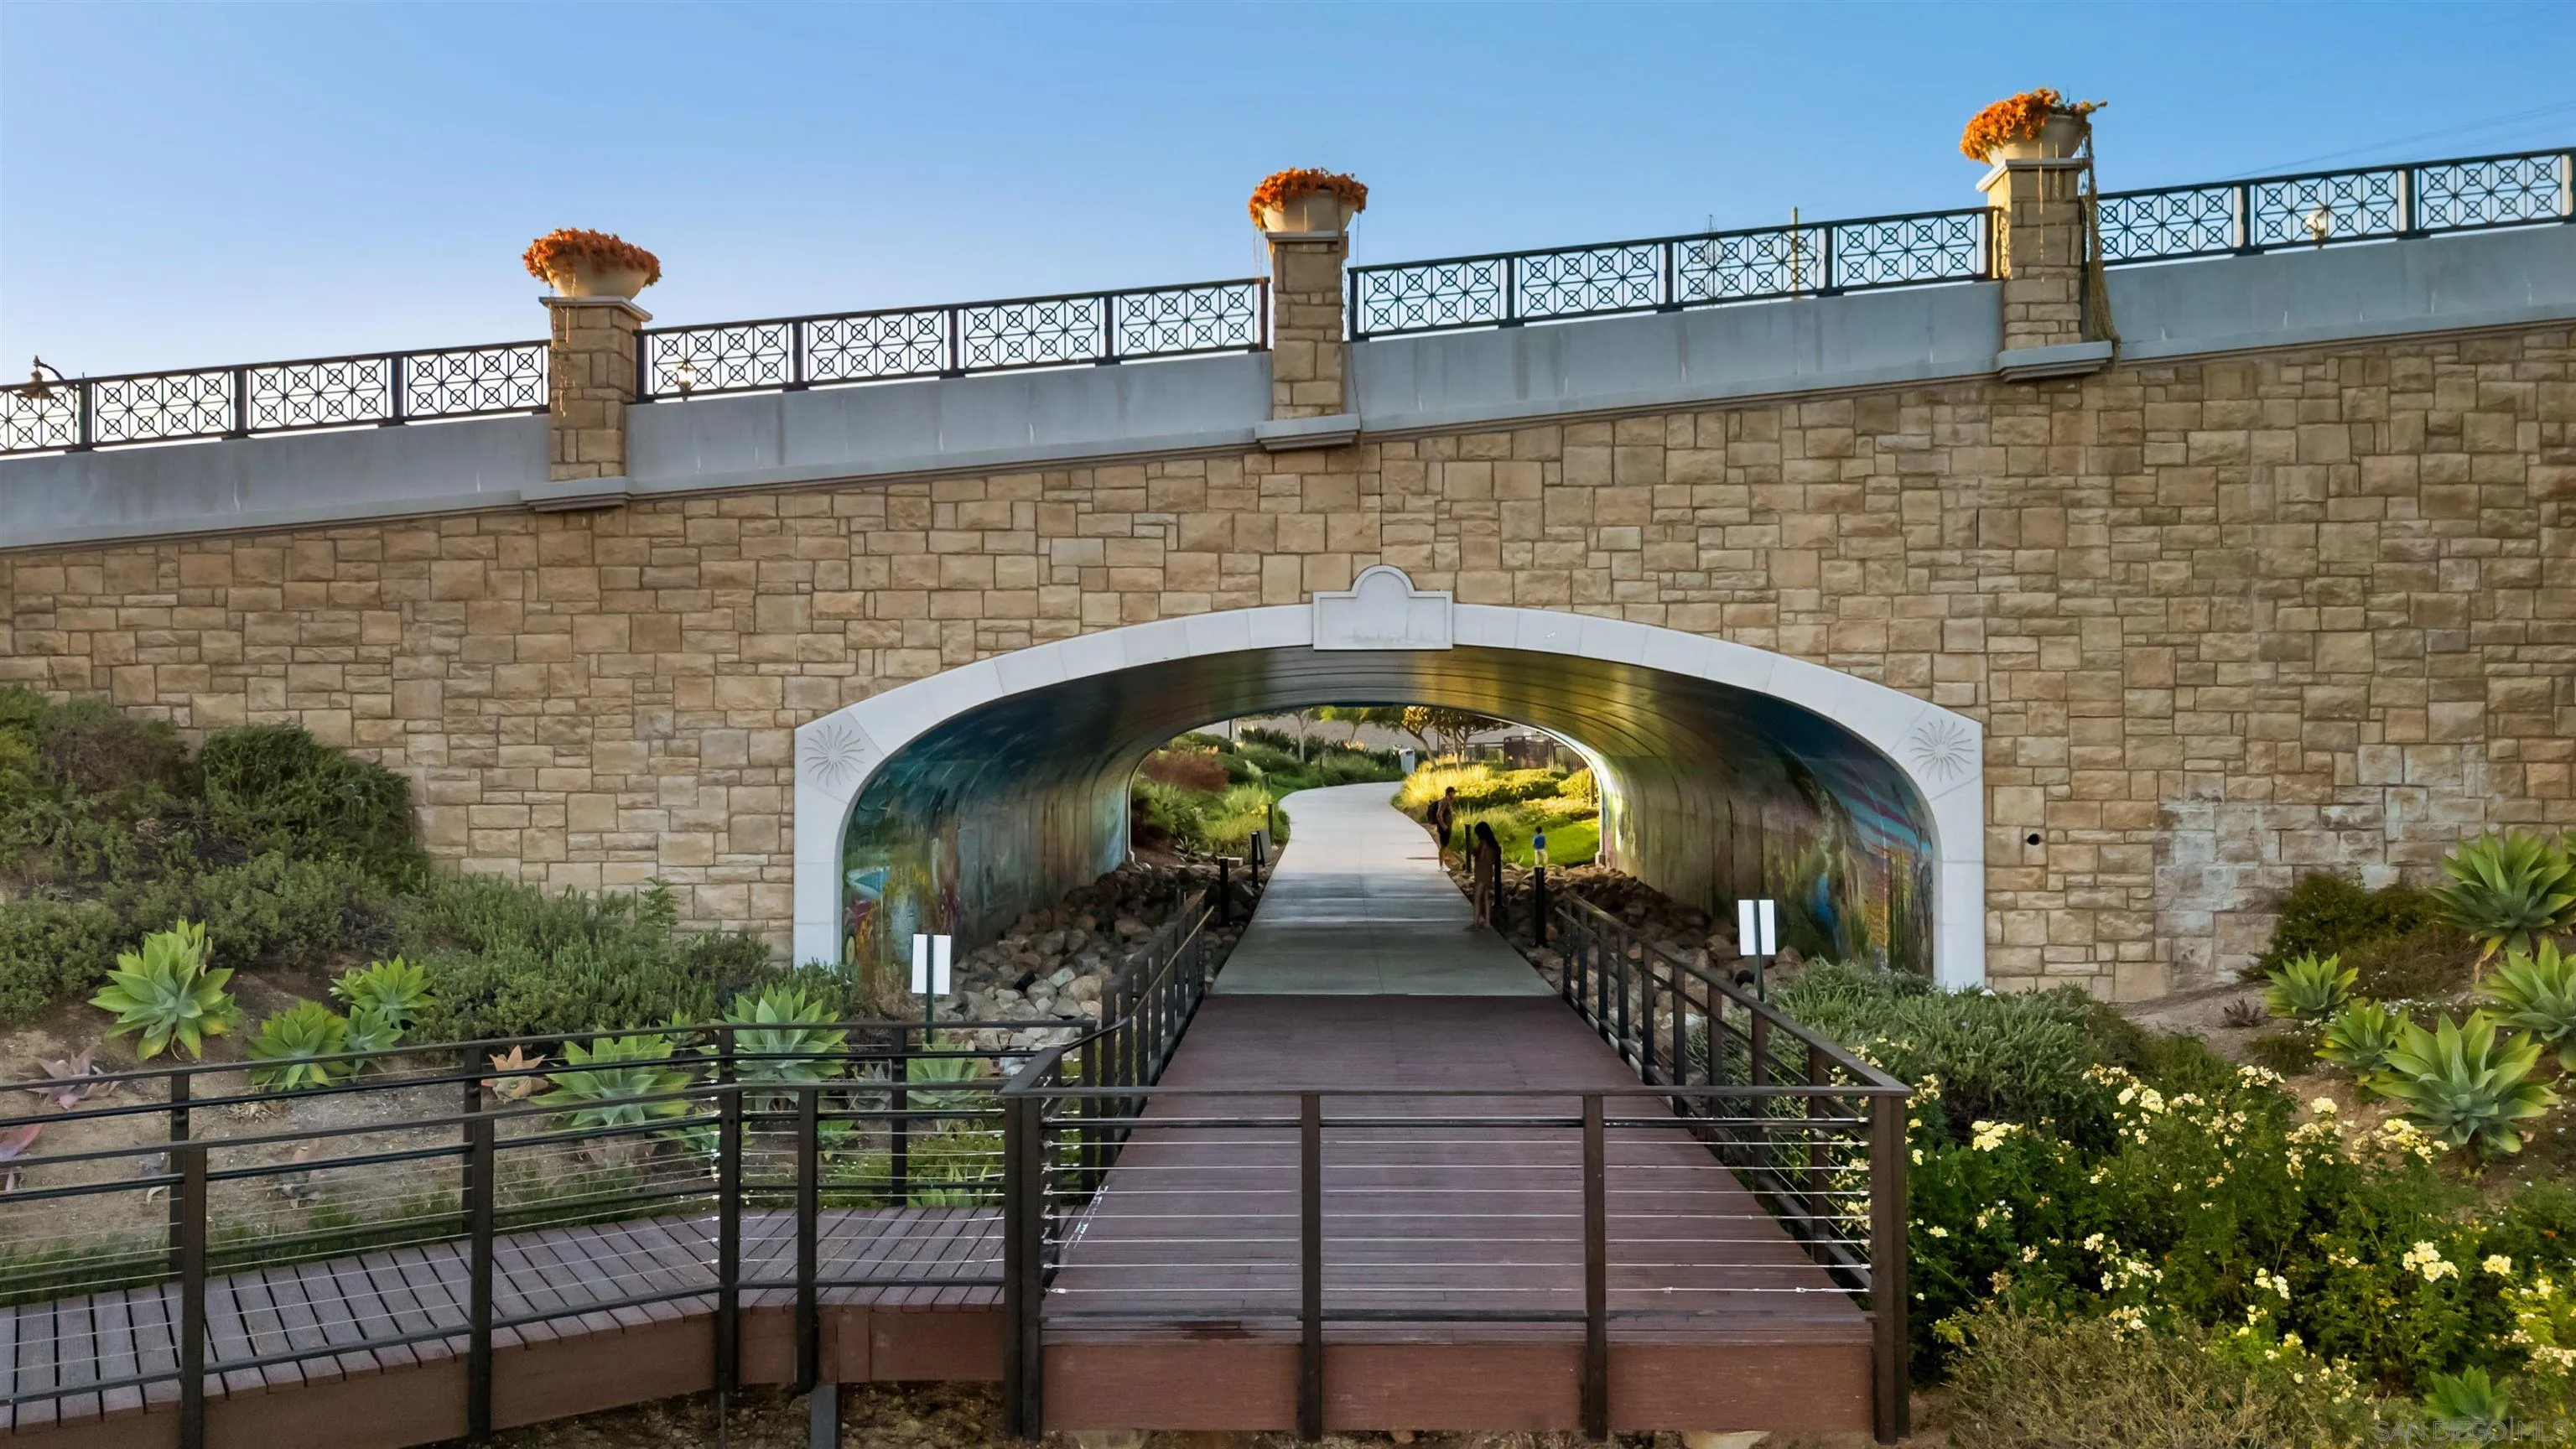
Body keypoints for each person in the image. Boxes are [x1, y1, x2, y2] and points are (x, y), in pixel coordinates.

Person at [1469, 820, 1503, 927]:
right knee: (1486, 897)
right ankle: (1487, 922)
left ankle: (1475, 922)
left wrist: (1476, 852)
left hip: (1481, 874)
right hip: (1488, 872)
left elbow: (1481, 858)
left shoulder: (1484, 844)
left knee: (1477, 898)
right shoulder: (1493, 845)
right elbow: (1491, 860)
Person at [1427, 786, 1458, 862]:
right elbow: (1438, 814)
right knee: (1443, 846)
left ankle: (1442, 862)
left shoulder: (1448, 801)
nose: (1454, 795)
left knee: (1445, 845)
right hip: (1444, 827)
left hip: (1447, 827)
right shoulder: (1444, 801)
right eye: (1453, 793)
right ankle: (1441, 864)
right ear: (1450, 793)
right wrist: (1443, 826)